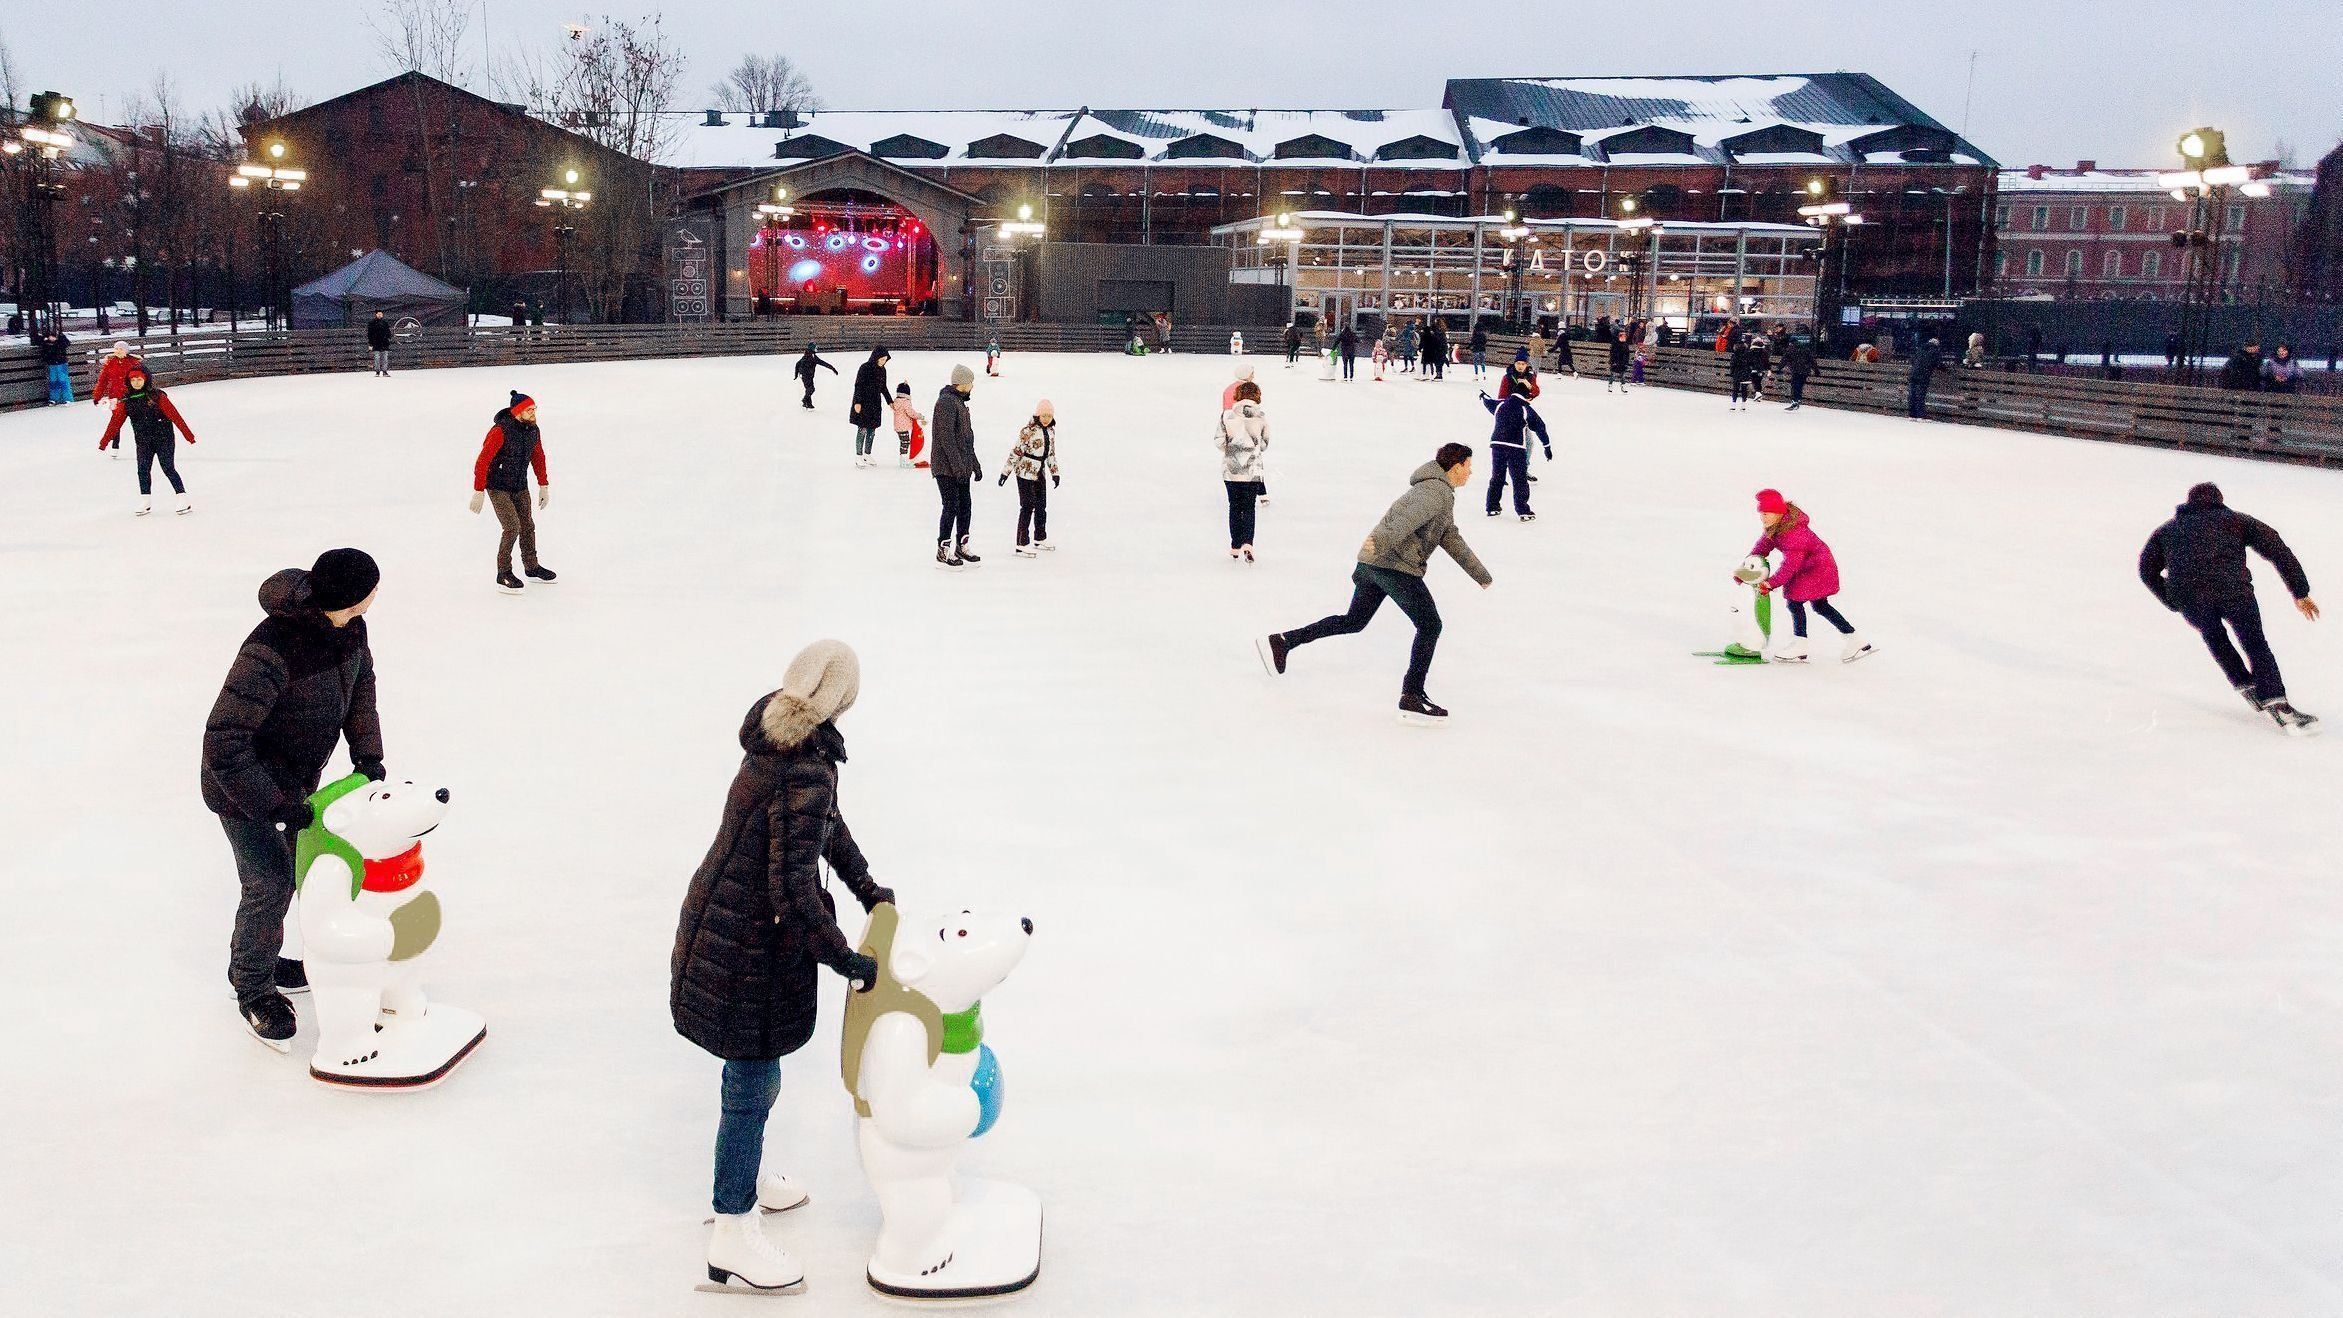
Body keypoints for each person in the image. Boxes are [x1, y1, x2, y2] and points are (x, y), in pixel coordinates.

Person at [669, 640, 895, 1294]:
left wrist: (866, 887)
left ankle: (741, 1179)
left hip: (725, 925)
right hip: (746, 950)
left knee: (755, 1074)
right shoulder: (804, 768)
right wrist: (846, 959)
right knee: (750, 1079)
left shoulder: (782, 746)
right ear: (839, 700)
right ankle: (732, 1227)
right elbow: (791, 892)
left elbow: (827, 827)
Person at [203, 548, 386, 1050]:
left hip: (294, 782)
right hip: (242, 789)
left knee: (290, 871)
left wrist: (368, 756)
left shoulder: (350, 629)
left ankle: (263, 959)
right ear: (352, 595)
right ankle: (253, 988)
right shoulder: (272, 647)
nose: (376, 595)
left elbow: (360, 689)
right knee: (270, 882)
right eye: (371, 588)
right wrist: (275, 802)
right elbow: (224, 741)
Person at [1257, 443, 1491, 723]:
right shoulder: (1435, 492)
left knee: (1353, 621)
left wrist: (1481, 575)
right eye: (1469, 466)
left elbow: (1450, 537)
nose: (1471, 473)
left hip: (1374, 563)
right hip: (1393, 565)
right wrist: (1378, 544)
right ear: (1456, 467)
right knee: (1430, 625)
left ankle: (1284, 642)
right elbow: (1404, 522)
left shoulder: (1435, 492)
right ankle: (1412, 695)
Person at [2138, 482, 2319, 733]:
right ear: (2219, 500)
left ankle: (2245, 685)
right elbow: (2277, 549)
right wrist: (2301, 592)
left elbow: (2146, 569)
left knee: (2215, 638)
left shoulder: (2166, 531)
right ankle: (2276, 702)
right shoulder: (2236, 521)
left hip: (2191, 597)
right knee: (2255, 643)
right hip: (2234, 593)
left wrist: (2170, 597)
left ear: (2189, 503)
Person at [1747, 489, 1871, 664]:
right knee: (1820, 606)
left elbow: (1790, 565)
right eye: (1761, 514)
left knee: (1795, 602)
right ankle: (1855, 639)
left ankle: (1800, 645)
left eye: (1766, 514)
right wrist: (1747, 567)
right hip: (1811, 567)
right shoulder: (1777, 526)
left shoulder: (1793, 533)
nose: (1762, 518)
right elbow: (1763, 546)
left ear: (1777, 513)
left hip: (1817, 569)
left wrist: (1771, 583)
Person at [468, 390, 555, 593]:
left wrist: (544, 485)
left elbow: (538, 456)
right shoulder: (500, 431)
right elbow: (483, 461)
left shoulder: (533, 430)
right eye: (529, 410)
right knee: (512, 526)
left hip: (519, 484)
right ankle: (503, 572)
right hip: (497, 485)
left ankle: (531, 566)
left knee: (527, 525)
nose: (534, 413)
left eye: (535, 409)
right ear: (518, 412)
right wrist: (478, 490)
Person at [98, 364, 197, 515]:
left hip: (163, 438)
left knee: (168, 467)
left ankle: (182, 497)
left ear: (146, 379)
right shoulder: (127, 401)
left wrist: (188, 435)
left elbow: (175, 416)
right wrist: (104, 441)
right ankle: (146, 501)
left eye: (139, 379)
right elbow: (115, 423)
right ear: (129, 382)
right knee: (143, 470)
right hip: (143, 440)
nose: (136, 382)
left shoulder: (157, 396)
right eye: (133, 380)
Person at [930, 364, 982, 569]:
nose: (972, 387)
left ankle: (962, 544)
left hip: (961, 466)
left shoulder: (959, 403)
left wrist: (974, 465)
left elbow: (966, 439)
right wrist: (959, 468)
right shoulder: (946, 403)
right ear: (961, 383)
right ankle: (943, 550)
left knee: (965, 507)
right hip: (946, 467)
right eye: (970, 383)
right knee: (950, 506)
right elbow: (947, 439)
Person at [998, 398, 1060, 557]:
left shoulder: (1051, 431)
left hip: (1039, 472)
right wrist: (1005, 472)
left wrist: (1055, 473)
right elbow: (1016, 452)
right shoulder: (1028, 431)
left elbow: (1051, 454)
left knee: (1041, 505)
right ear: (1038, 415)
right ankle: (1021, 543)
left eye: (1049, 415)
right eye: (1043, 415)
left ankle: (1040, 537)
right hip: (1025, 471)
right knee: (1027, 505)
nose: (1046, 418)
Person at [1480, 385, 1551, 520]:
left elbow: (1489, 402)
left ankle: (1492, 507)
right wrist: (1547, 446)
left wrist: (1483, 396)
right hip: (1516, 447)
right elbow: (1540, 427)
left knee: (1497, 476)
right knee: (1519, 479)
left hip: (1497, 445)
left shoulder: (1501, 404)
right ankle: (1523, 510)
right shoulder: (1525, 408)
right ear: (1525, 395)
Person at [1217, 379, 1269, 561]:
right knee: (1249, 507)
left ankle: (1235, 545)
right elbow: (1264, 444)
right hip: (1252, 469)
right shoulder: (1261, 417)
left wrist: (1232, 449)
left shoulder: (1227, 416)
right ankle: (1248, 542)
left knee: (1234, 506)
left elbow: (1219, 441)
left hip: (1231, 468)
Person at [849, 347, 891, 468]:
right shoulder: (865, 368)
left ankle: (867, 454)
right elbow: (858, 385)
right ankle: (858, 456)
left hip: (875, 404)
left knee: (872, 430)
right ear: (875, 357)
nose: (883, 361)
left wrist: (890, 401)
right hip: (863, 402)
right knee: (862, 429)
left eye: (885, 359)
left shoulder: (883, 370)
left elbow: (883, 387)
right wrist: (857, 402)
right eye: (881, 359)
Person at [91, 340, 140, 410]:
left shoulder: (134, 363)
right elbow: (102, 381)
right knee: (116, 419)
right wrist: (97, 396)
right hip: (115, 397)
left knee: (136, 417)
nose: (118, 351)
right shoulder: (110, 363)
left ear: (126, 351)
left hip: (131, 396)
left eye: (121, 349)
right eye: (116, 349)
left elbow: (142, 380)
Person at [1906, 336, 1945, 420]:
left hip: (1913, 374)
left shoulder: (1920, 349)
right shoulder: (1935, 351)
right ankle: (1920, 415)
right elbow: (1938, 364)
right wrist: (1946, 369)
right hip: (1923, 375)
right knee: (1920, 395)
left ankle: (1912, 414)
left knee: (1912, 394)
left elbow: (1912, 359)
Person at [889, 381, 925, 469]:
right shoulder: (906, 402)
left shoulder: (896, 401)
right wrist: (920, 416)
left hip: (898, 426)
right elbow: (911, 412)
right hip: (904, 426)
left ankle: (903, 460)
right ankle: (903, 461)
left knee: (903, 442)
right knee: (905, 443)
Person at [793, 343, 837, 410]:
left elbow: (822, 363)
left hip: (809, 376)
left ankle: (808, 404)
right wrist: (796, 374)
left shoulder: (811, 355)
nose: (817, 349)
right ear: (812, 348)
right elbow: (798, 364)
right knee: (811, 389)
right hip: (805, 376)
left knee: (809, 389)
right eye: (815, 348)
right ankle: (804, 400)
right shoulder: (809, 356)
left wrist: (832, 368)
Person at [38, 324, 73, 404]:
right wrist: (45, 340)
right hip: (52, 363)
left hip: (61, 363)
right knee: (53, 381)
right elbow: (43, 348)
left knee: (63, 380)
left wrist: (57, 340)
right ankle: (54, 398)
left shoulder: (61, 338)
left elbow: (66, 343)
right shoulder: (46, 342)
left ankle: (67, 398)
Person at [1784, 335, 1819, 410]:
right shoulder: (1806, 349)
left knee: (1794, 385)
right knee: (1800, 385)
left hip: (1796, 370)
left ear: (1791, 342)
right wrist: (1816, 371)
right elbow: (1812, 360)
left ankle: (1795, 401)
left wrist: (1779, 368)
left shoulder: (1791, 349)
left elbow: (1785, 359)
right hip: (1805, 371)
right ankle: (1798, 399)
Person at [367, 310, 394, 377]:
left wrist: (389, 337)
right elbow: (370, 334)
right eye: (378, 314)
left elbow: (388, 331)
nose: (379, 315)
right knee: (377, 358)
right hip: (376, 343)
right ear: (376, 314)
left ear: (382, 315)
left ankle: (385, 371)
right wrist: (370, 343)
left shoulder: (385, 322)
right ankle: (377, 372)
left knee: (385, 358)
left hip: (385, 343)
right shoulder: (372, 323)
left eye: (381, 314)